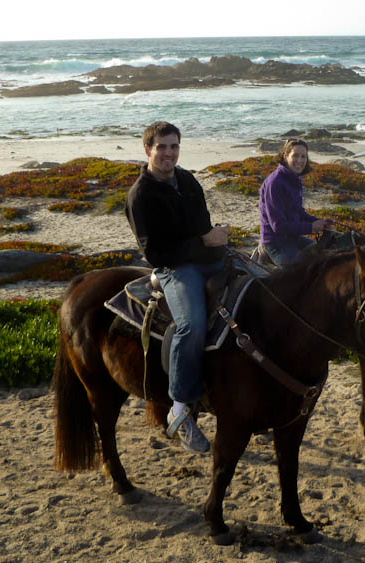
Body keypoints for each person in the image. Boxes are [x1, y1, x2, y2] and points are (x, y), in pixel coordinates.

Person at [125, 121, 228, 454]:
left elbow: (201, 222)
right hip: (174, 269)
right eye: (162, 147)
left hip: (206, 256)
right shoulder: (141, 195)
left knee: (258, 289)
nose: (169, 153)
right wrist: (202, 241)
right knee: (191, 324)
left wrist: (215, 238)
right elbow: (155, 253)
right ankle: (181, 409)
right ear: (148, 150)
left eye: (174, 147)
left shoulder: (187, 180)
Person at [258, 139, 332, 266]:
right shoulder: (275, 183)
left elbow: (298, 212)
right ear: (285, 156)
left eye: (303, 156)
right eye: (295, 155)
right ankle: (266, 256)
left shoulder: (295, 179)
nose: (300, 160)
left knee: (325, 256)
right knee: (301, 272)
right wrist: (311, 227)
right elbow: (278, 226)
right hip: (276, 242)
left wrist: (319, 222)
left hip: (293, 237)